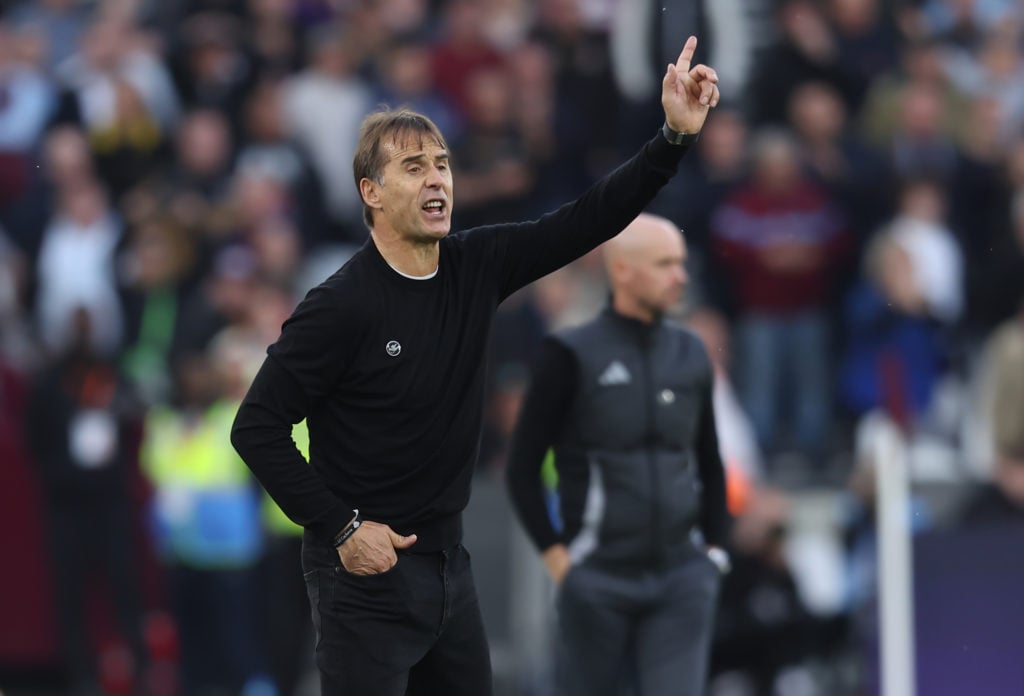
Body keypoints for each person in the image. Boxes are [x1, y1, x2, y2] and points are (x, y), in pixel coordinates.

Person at [230, 36, 720, 695]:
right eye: (414, 168)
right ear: (371, 193)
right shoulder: (339, 306)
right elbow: (255, 427)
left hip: (447, 567)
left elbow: (588, 219)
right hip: (362, 575)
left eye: (442, 164)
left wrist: (672, 139)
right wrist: (341, 526)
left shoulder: (476, 265)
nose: (437, 178)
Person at [505, 213, 731, 696]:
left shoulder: (692, 353)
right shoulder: (569, 354)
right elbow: (521, 466)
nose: (681, 277)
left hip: (680, 579)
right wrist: (560, 560)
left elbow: (709, 460)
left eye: (682, 264)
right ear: (623, 270)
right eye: (666, 264)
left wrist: (714, 553)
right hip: (597, 579)